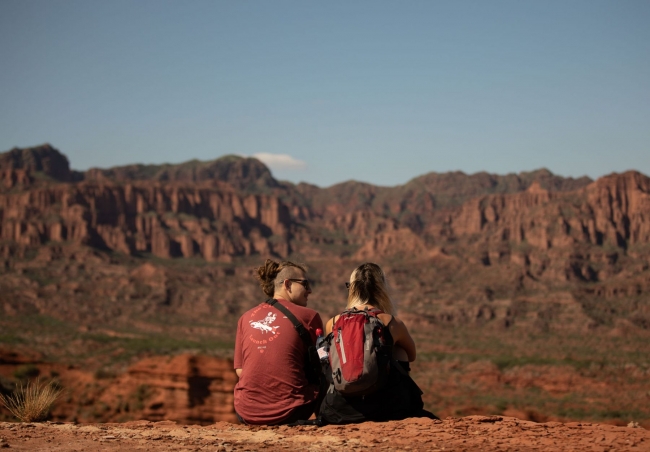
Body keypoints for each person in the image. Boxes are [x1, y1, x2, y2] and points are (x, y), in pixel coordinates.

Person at [319, 262, 435, 423]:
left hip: (340, 409)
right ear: (382, 289)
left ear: (351, 289)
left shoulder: (333, 322)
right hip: (386, 408)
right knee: (399, 350)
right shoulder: (391, 322)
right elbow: (411, 355)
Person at [233, 259, 324, 425]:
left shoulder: (245, 318)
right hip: (292, 412)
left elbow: (240, 370)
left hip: (245, 412)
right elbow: (323, 366)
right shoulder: (309, 317)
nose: (309, 290)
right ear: (288, 285)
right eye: (305, 284)